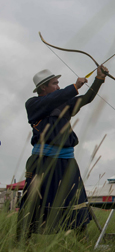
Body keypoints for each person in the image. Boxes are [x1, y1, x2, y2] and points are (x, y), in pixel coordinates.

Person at [16, 66, 108, 242]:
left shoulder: (63, 103)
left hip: (66, 161)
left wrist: (99, 79)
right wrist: (74, 87)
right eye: (54, 83)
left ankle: (83, 244)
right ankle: (22, 245)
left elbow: (86, 99)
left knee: (76, 199)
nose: (58, 86)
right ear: (43, 87)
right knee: (33, 201)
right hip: (42, 161)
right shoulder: (33, 104)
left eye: (58, 83)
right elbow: (54, 98)